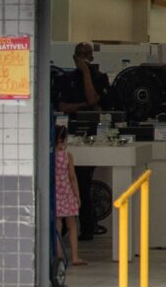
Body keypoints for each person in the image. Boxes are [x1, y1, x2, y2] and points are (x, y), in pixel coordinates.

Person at [53, 43, 110, 240]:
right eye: (80, 55)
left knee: (83, 181)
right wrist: (87, 105)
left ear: (92, 57)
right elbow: (64, 106)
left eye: (86, 55)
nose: (83, 58)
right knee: (65, 180)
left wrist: (86, 73)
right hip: (68, 134)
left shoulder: (100, 78)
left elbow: (94, 99)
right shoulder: (66, 79)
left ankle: (87, 226)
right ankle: (65, 225)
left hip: (91, 136)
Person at [54, 126, 86, 266]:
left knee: (57, 227)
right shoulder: (68, 156)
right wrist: (77, 195)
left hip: (55, 194)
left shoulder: (49, 156)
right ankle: (75, 257)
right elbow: (72, 176)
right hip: (67, 193)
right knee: (72, 226)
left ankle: (59, 257)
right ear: (63, 140)